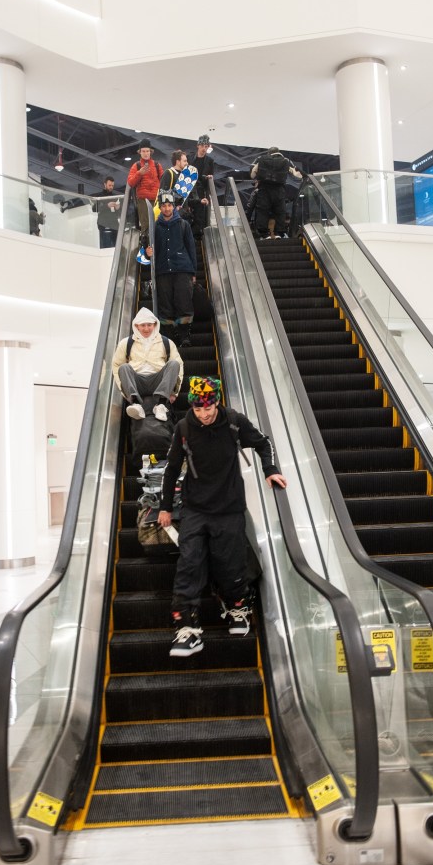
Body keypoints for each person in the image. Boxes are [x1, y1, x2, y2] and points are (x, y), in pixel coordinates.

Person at [158, 376, 287, 657]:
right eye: (198, 409)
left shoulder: (234, 422)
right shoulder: (183, 428)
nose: (204, 414)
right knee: (189, 563)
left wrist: (270, 470)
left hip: (229, 508)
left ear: (216, 402)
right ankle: (187, 628)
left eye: (208, 408)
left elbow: (263, 443)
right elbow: (171, 468)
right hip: (195, 508)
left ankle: (237, 608)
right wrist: (165, 507)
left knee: (230, 562)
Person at [111, 307, 183, 422]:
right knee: (123, 367)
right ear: (136, 326)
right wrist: (124, 392)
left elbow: (179, 366)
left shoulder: (166, 342)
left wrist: (174, 392)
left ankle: (161, 405)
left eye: (149, 325)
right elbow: (116, 365)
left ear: (155, 324)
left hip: (158, 381)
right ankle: (135, 404)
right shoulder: (126, 343)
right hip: (137, 382)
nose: (146, 328)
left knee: (174, 364)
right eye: (142, 325)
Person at [145, 191, 196, 348]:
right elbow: (147, 250)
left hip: (182, 270)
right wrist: (147, 253)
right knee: (165, 306)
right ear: (160, 208)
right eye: (164, 206)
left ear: (173, 207)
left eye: (169, 205)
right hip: (163, 271)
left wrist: (193, 272)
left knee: (184, 303)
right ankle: (169, 337)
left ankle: (184, 336)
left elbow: (191, 249)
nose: (167, 208)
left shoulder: (183, 225)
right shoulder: (154, 227)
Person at [250, 146, 302, 239]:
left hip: (264, 189)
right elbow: (296, 174)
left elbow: (252, 174)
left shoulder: (261, 159)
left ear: (268, 153)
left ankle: (264, 234)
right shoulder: (286, 160)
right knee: (280, 211)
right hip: (279, 189)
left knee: (262, 211)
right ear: (279, 152)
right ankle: (279, 233)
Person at [127, 139, 163, 259]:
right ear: (140, 152)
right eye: (143, 151)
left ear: (150, 151)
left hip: (156, 200)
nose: (146, 153)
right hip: (143, 200)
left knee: (159, 223)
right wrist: (139, 173)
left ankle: (157, 248)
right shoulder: (136, 166)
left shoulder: (157, 165)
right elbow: (130, 182)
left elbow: (163, 180)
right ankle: (146, 251)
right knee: (146, 225)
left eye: (147, 151)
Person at [189, 134, 214, 238]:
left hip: (201, 190)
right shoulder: (189, 158)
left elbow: (211, 177)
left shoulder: (210, 161)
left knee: (199, 215)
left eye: (206, 146)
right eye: (202, 146)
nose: (204, 148)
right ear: (198, 146)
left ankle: (197, 236)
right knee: (187, 213)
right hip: (189, 189)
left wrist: (209, 177)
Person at [91, 176, 121, 248]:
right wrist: (107, 205)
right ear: (105, 184)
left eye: (112, 186)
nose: (111, 187)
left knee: (117, 248)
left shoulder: (115, 197)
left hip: (114, 225)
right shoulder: (99, 196)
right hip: (104, 225)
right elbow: (94, 209)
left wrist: (118, 208)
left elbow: (118, 214)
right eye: (109, 185)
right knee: (106, 247)